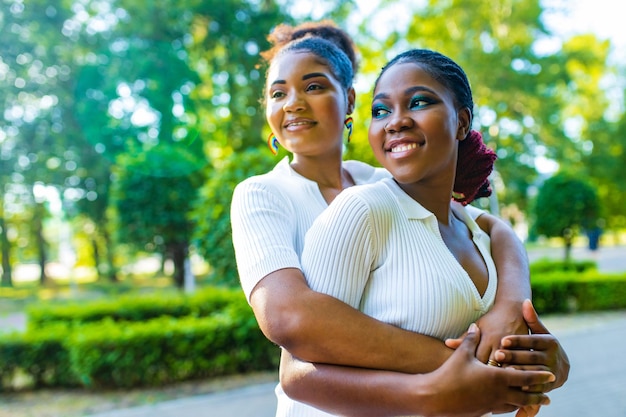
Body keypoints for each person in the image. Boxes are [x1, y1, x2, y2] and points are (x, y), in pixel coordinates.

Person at [230, 23, 568, 417]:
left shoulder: (388, 181)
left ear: (349, 100)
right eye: (277, 93)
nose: (292, 103)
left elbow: (490, 228)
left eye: (315, 86)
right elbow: (289, 317)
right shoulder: (263, 194)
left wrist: (510, 304)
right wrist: (468, 367)